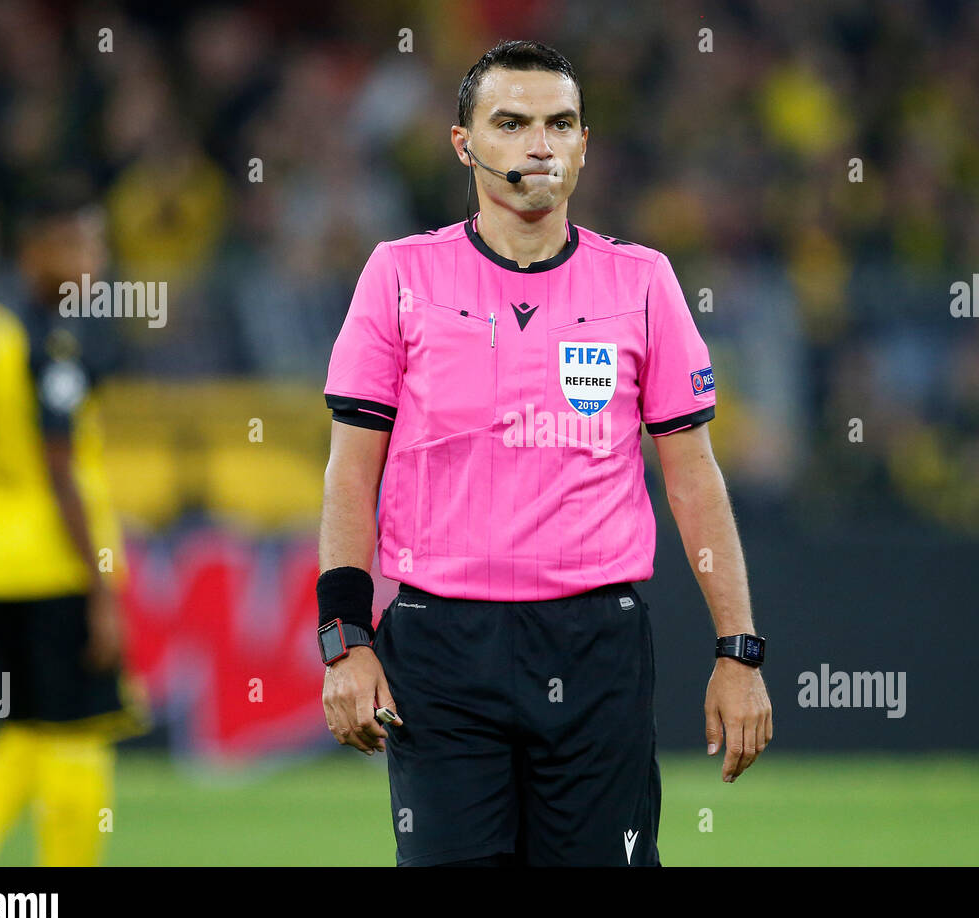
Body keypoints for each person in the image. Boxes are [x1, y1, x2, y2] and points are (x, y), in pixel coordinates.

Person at [317, 40, 770, 867]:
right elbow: (353, 470)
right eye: (512, 122)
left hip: (596, 647)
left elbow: (694, 478)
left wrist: (738, 650)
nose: (540, 145)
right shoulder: (398, 275)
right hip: (438, 649)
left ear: (585, 144)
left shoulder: (642, 282)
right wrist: (344, 640)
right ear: (464, 143)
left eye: (561, 124)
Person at [0, 176, 147, 867]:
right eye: (81, 243)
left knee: (28, 721)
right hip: (51, 560)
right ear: (40, 245)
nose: (95, 260)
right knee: (80, 732)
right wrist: (100, 588)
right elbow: (59, 474)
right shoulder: (43, 337)